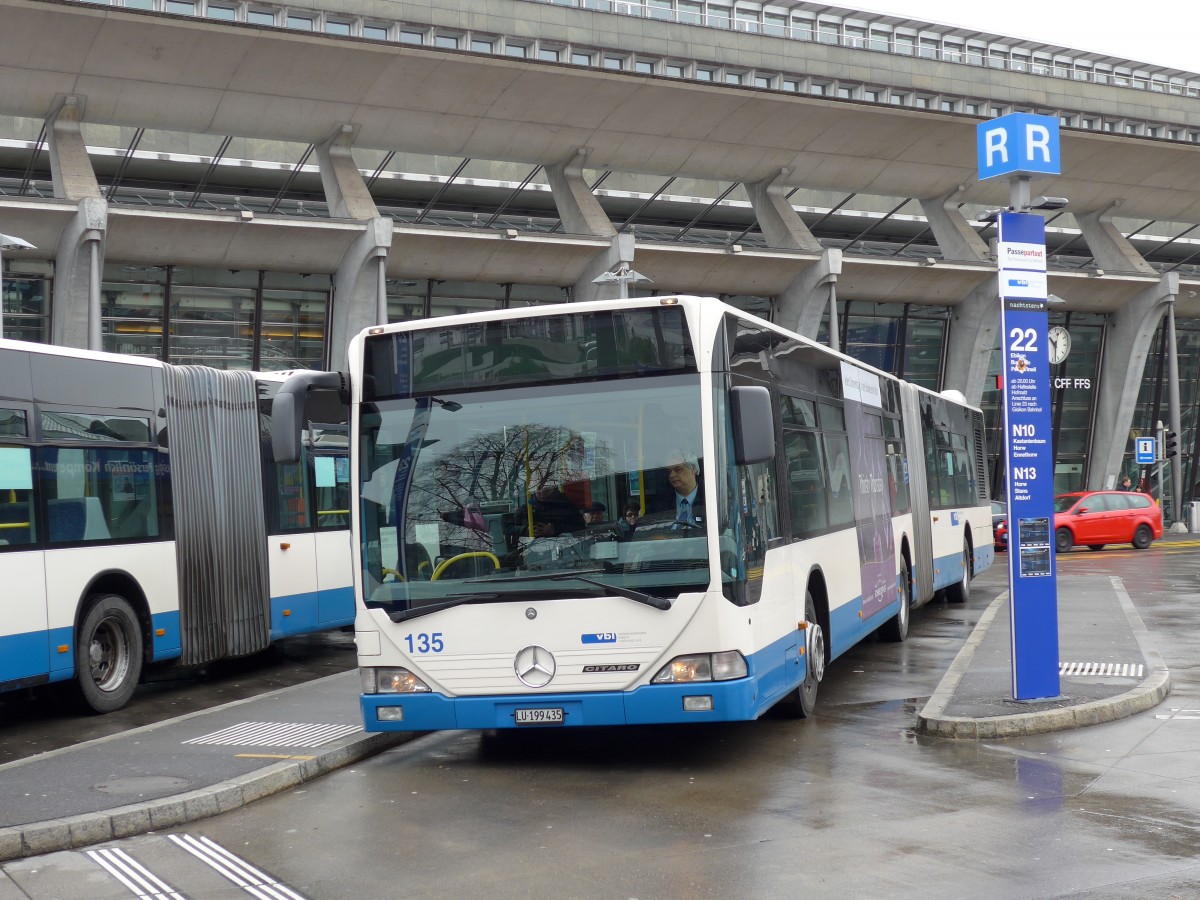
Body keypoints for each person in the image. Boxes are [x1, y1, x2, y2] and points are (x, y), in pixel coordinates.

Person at [649, 450, 706, 528]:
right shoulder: (659, 505)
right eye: (669, 471)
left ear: (693, 469)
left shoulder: (711, 499)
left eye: (677, 469)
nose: (672, 475)